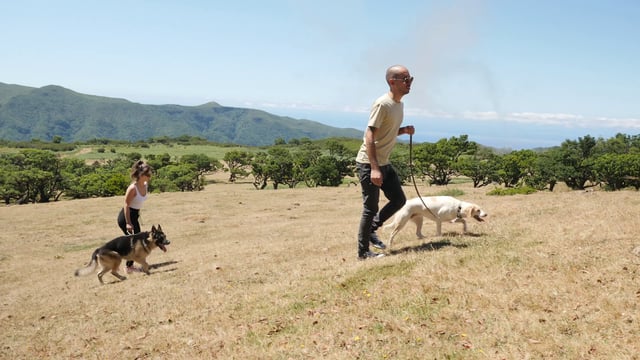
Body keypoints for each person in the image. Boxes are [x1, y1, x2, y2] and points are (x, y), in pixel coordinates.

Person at [356, 65, 415, 260]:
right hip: (369, 163)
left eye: (410, 79)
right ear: (392, 82)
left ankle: (372, 229)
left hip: (384, 163)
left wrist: (403, 130)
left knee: (399, 200)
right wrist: (374, 168)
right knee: (370, 208)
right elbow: (370, 135)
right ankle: (363, 253)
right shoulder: (383, 104)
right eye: (405, 79)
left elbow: (385, 132)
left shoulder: (399, 105)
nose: (409, 83)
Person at [117, 160, 153, 273]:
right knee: (135, 243)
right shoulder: (133, 188)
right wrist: (128, 222)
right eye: (148, 174)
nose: (150, 176)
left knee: (137, 241)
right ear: (141, 175)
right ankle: (129, 267)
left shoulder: (145, 185)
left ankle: (132, 265)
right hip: (126, 217)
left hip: (135, 215)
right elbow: (126, 205)